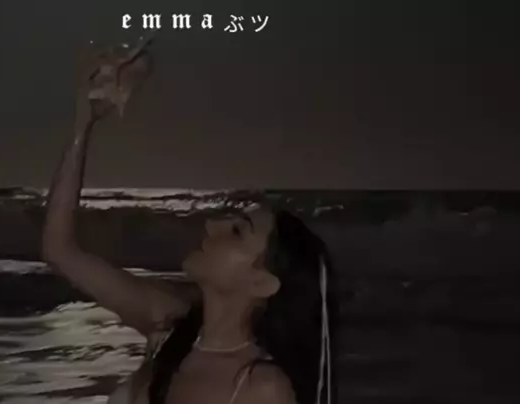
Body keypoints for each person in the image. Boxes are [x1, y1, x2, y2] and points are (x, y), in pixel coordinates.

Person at [41, 44, 332, 404]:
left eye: (237, 232)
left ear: (262, 283)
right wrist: (83, 124)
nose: (211, 227)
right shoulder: (168, 326)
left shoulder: (261, 389)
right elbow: (59, 250)